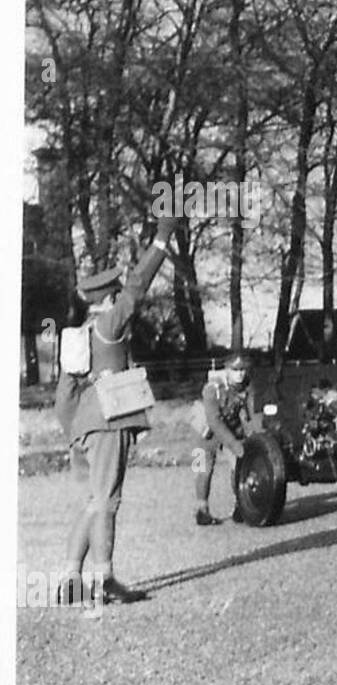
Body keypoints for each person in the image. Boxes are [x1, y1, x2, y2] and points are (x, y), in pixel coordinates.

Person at [54, 212, 178, 606]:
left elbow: (63, 396)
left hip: (86, 426)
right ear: (107, 297)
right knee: (108, 502)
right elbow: (138, 287)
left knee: (93, 501)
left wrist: (73, 434)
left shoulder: (79, 337)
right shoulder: (110, 324)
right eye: (117, 292)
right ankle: (104, 579)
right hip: (110, 422)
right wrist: (162, 239)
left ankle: (71, 579)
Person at [193, 353, 254, 526]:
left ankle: (240, 505)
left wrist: (251, 436)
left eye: (242, 370)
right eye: (235, 370)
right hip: (204, 432)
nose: (240, 374)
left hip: (232, 429)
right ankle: (201, 510)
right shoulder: (212, 388)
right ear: (227, 370)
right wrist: (234, 444)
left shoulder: (247, 386)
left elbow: (250, 413)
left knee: (239, 465)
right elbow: (214, 421)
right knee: (202, 469)